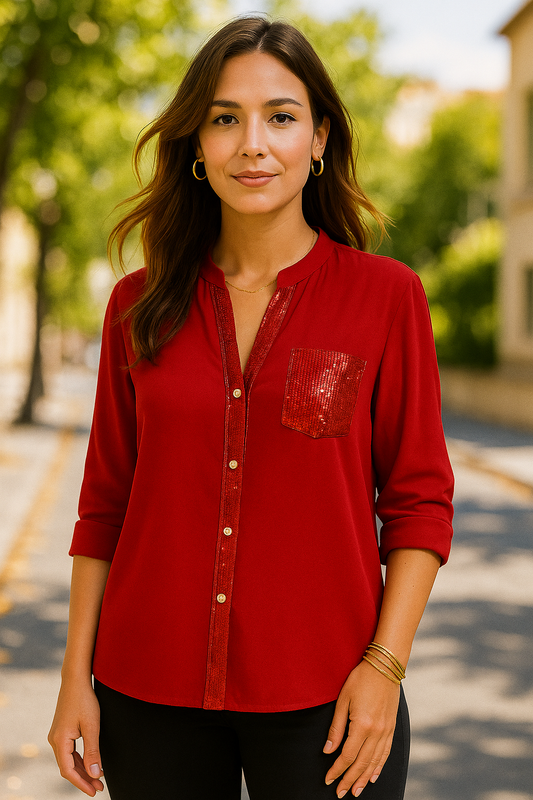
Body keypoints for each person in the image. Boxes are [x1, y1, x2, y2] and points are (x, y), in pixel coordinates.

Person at [48, 15, 453, 800]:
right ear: (196, 146)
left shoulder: (385, 298)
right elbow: (104, 504)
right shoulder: (138, 306)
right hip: (147, 690)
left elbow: (419, 504)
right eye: (224, 119)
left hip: (329, 697)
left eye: (280, 116)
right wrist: (75, 680)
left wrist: (383, 667)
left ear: (319, 138)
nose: (252, 143)